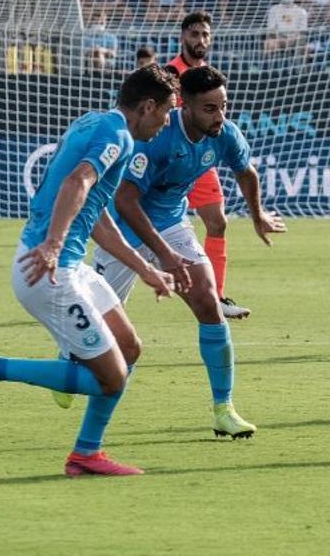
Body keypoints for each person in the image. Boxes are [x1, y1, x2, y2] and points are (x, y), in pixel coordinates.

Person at [0, 65, 177, 476]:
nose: (167, 122)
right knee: (112, 380)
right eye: (167, 112)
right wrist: (52, 245)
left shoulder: (95, 121)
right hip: (50, 272)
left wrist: (145, 270)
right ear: (147, 106)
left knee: (130, 348)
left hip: (69, 265)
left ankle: (86, 455)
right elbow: (76, 183)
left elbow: (97, 218)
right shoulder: (117, 136)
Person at [94, 66, 286, 439]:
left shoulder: (225, 134)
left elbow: (246, 173)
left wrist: (257, 213)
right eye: (210, 109)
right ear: (185, 106)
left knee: (208, 304)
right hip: (122, 230)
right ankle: (70, 365)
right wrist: (163, 254)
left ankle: (223, 409)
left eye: (224, 106)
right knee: (102, 333)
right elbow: (126, 200)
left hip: (171, 223)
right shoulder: (156, 138)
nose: (220, 117)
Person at [167, 12, 251, 319]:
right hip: (172, 160)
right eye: (194, 34)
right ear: (182, 38)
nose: (200, 40)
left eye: (204, 34)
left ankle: (218, 297)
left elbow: (246, 170)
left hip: (201, 161)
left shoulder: (209, 75)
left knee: (218, 222)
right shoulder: (171, 73)